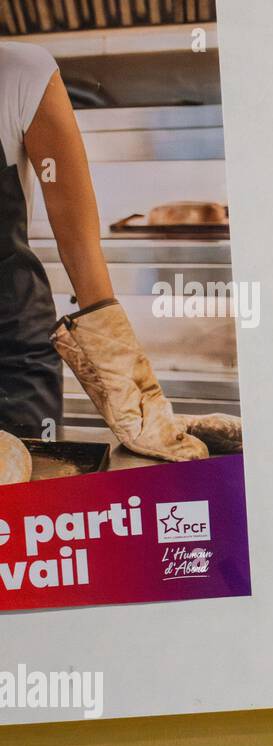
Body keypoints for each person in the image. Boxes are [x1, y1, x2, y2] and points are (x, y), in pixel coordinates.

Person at [0, 40, 238, 466]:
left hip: (10, 352)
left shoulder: (20, 71)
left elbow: (79, 245)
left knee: (25, 497)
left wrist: (130, 392)